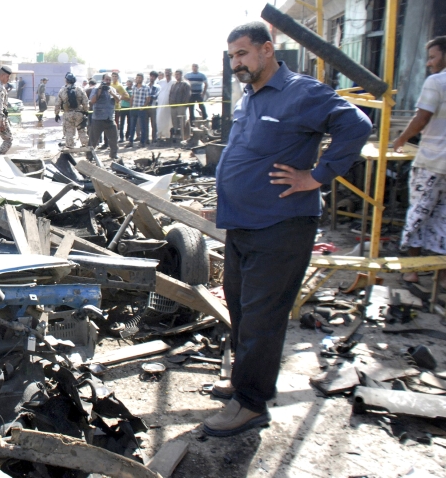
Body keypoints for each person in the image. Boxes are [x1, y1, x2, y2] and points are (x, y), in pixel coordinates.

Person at [203, 22, 371, 437]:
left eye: (242, 54)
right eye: (231, 57)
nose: (236, 63)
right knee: (241, 310)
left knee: (263, 317)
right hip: (244, 224)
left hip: (280, 226)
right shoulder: (249, 98)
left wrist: (317, 176)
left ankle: (251, 404)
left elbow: (357, 125)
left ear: (266, 49)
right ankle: (243, 380)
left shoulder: (302, 92)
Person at [392, 36, 446, 289]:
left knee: (419, 212)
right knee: (443, 218)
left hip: (432, 161)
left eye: (433, 57)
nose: (429, 63)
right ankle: (442, 274)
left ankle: (412, 271)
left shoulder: (437, 82)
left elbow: (422, 117)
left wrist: (400, 139)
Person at [89, 74, 120, 159]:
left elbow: (118, 100)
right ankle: (89, 156)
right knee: (93, 139)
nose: (108, 81)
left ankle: (114, 154)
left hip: (109, 118)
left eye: (109, 80)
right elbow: (92, 100)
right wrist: (99, 91)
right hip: (98, 118)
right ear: (102, 80)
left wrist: (112, 93)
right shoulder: (96, 89)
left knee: (114, 138)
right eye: (106, 80)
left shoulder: (112, 89)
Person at [54, 72, 89, 149]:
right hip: (79, 113)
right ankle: (86, 147)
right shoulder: (80, 89)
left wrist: (56, 114)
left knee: (69, 132)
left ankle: (70, 148)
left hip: (68, 114)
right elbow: (85, 102)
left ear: (66, 80)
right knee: (82, 130)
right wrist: (86, 111)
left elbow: (57, 103)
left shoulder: (62, 90)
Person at [128, 73, 150, 148]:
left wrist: (143, 107)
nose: (138, 79)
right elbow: (132, 97)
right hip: (134, 108)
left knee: (142, 126)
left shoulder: (146, 88)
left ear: (142, 79)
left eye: (140, 78)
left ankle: (142, 142)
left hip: (141, 109)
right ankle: (130, 141)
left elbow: (148, 99)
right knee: (132, 126)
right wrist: (131, 106)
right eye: (137, 78)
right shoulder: (134, 87)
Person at [169, 69, 192, 140]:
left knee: (182, 122)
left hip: (181, 106)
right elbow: (170, 94)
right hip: (173, 106)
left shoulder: (185, 84)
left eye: (178, 74)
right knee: (174, 122)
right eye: (175, 75)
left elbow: (188, 95)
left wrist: (184, 104)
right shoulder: (174, 84)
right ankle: (177, 137)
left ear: (181, 75)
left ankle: (184, 137)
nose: (176, 76)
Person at [110, 71, 130, 147]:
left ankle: (116, 138)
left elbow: (127, 96)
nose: (114, 78)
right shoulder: (110, 85)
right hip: (109, 107)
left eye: (115, 76)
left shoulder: (120, 86)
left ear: (117, 77)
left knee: (116, 124)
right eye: (113, 76)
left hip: (116, 107)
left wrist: (119, 97)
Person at [155, 68, 174, 140]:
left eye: (169, 72)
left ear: (171, 73)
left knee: (169, 121)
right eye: (166, 72)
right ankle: (159, 135)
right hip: (161, 104)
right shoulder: (160, 82)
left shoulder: (174, 82)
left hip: (170, 105)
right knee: (159, 118)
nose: (167, 74)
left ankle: (168, 135)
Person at [147, 71, 160, 142]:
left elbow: (156, 96)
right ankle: (146, 139)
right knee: (145, 124)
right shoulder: (146, 85)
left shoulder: (157, 87)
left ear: (155, 78)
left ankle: (154, 138)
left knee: (154, 124)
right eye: (151, 76)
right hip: (146, 106)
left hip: (153, 107)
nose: (151, 78)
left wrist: (148, 97)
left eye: (153, 77)